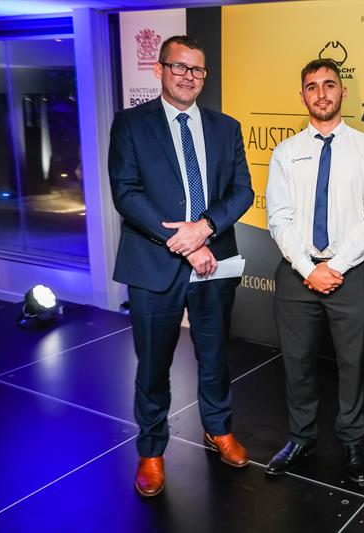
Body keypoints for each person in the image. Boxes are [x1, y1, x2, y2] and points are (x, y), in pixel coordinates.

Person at [108, 35, 254, 497]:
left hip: (214, 262)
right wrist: (186, 242)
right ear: (160, 69)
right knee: (153, 364)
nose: (189, 76)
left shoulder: (225, 126)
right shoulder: (130, 124)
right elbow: (126, 193)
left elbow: (243, 192)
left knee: (215, 357)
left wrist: (205, 227)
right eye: (180, 67)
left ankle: (219, 429)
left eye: (198, 70)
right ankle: (151, 452)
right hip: (155, 264)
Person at [263, 59, 364, 483]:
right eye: (312, 87)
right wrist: (307, 268)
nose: (321, 93)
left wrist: (333, 267)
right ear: (303, 95)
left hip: (349, 273)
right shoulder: (286, 152)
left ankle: (352, 440)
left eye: (329, 85)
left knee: (352, 363)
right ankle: (301, 437)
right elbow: (278, 218)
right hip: (296, 273)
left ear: (343, 92)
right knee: (296, 362)